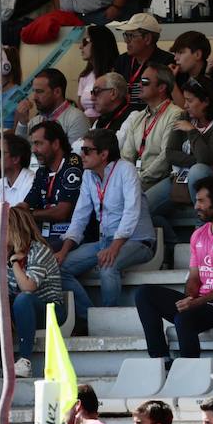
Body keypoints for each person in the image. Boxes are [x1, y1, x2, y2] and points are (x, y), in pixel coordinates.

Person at [135, 175, 213, 362]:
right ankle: (161, 360)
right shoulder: (198, 234)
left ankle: (189, 369)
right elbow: (194, 276)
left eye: (201, 201)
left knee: (184, 318)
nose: (196, 205)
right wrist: (191, 297)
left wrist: (197, 303)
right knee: (144, 294)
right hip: (202, 302)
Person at [57, 129, 157, 322]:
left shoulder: (125, 170)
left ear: (103, 154)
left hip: (138, 241)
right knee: (58, 268)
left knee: (108, 264)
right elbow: (79, 217)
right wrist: (63, 250)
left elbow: (131, 212)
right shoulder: (88, 176)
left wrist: (114, 247)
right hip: (106, 241)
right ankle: (92, 317)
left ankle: (110, 318)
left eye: (86, 150)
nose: (81, 155)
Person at [0, 206, 63, 380]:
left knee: (23, 299)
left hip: (51, 310)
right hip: (20, 310)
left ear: (15, 228)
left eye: (3, 230)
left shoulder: (38, 250)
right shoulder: (4, 254)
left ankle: (25, 360)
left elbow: (28, 287)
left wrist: (15, 263)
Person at [121, 63, 183, 220]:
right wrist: (125, 179)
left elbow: (165, 158)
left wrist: (137, 181)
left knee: (132, 210)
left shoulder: (176, 115)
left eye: (146, 82)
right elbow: (127, 155)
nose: (140, 85)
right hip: (137, 181)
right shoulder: (138, 117)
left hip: (161, 179)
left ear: (162, 87)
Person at [166, 78, 213, 203]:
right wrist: (198, 161)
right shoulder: (184, 117)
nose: (185, 105)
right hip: (182, 175)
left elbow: (206, 159)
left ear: (206, 101)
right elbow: (170, 153)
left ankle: (204, 220)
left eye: (189, 101)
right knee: (148, 203)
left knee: (198, 169)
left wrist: (192, 131)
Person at [22, 120, 84, 251]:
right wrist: (14, 212)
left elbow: (62, 212)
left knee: (32, 254)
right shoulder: (42, 170)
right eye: (33, 144)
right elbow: (27, 202)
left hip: (67, 237)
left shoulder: (73, 164)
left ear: (55, 144)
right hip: (45, 236)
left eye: (38, 144)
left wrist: (29, 214)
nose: (33, 150)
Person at [13, 67, 90, 147]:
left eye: (39, 92)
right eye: (34, 91)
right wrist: (22, 123)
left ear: (57, 92)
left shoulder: (76, 119)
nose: (34, 97)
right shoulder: (36, 120)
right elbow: (18, 153)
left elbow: (75, 156)